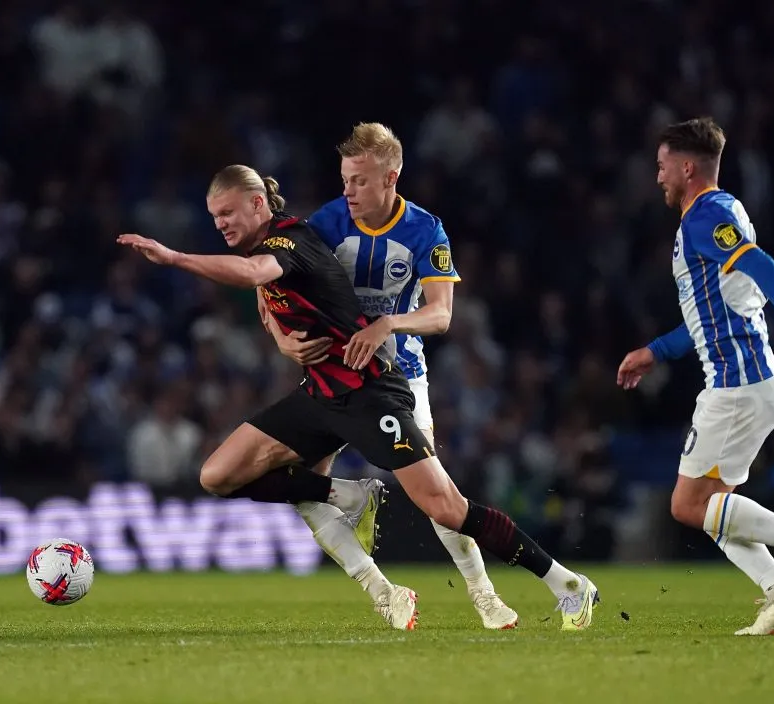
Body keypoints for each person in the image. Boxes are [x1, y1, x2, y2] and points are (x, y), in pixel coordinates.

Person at [118, 164, 598, 631]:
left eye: (227, 213)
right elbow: (266, 293)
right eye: (214, 217)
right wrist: (282, 341)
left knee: (446, 508)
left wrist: (175, 257)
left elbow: (253, 273)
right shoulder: (288, 240)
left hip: (369, 391)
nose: (220, 224)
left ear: (258, 203)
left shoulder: (289, 239)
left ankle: (567, 583)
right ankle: (355, 510)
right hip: (321, 394)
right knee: (217, 475)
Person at [259, 123, 517, 631]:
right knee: (306, 490)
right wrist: (282, 339)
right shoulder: (327, 223)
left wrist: (389, 324)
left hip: (400, 376)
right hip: (333, 374)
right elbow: (267, 277)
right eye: (344, 179)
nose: (348, 191)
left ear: (390, 178)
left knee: (438, 499)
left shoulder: (424, 230)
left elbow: (441, 314)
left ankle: (484, 594)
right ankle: (381, 590)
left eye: (358, 180)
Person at [616, 117, 774, 636]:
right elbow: (708, 314)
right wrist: (655, 351)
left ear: (687, 167)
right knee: (715, 507)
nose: (658, 176)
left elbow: (756, 261)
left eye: (662, 166)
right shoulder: (724, 211)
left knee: (688, 505)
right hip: (750, 380)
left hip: (737, 383)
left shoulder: (708, 215)